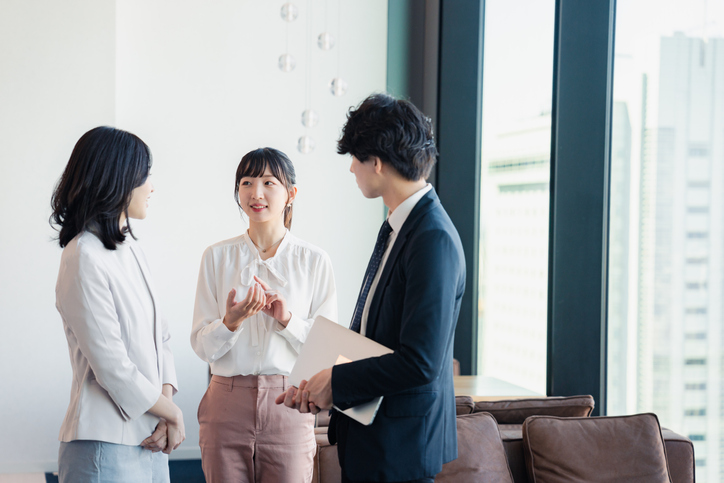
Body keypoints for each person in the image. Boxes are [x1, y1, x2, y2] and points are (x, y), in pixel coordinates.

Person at [277, 93, 466, 483]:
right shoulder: (401, 226)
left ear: (376, 164)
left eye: (355, 159)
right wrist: (320, 381)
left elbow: (420, 361)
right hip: (376, 442)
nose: (351, 170)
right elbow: (376, 333)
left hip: (399, 451)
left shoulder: (432, 237)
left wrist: (337, 382)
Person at [191, 147, 337, 483]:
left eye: (269, 182)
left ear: (291, 194)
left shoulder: (314, 260)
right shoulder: (216, 257)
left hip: (289, 402)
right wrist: (231, 322)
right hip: (225, 403)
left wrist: (288, 320)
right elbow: (201, 346)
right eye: (247, 182)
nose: (256, 193)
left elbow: (327, 351)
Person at [51, 126, 185, 483]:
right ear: (117, 178)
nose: (151, 186)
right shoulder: (82, 255)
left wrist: (165, 407)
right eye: (145, 175)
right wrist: (170, 413)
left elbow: (163, 339)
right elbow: (111, 365)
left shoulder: (130, 249)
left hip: (151, 436)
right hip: (103, 446)